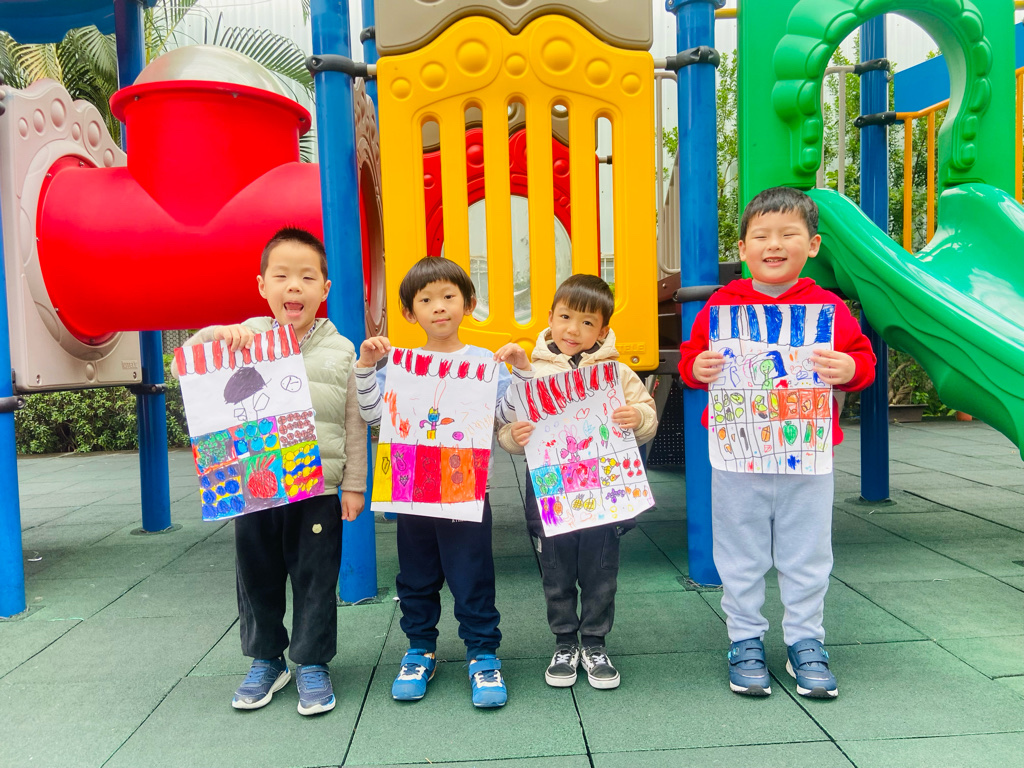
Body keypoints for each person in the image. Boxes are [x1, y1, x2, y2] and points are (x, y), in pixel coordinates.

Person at [678, 187, 876, 699]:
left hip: (807, 457)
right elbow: (692, 361)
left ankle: (806, 640)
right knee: (738, 551)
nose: (774, 244)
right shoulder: (722, 304)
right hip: (736, 454)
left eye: (788, 234)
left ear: (812, 244)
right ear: (742, 248)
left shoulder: (828, 307)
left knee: (807, 552)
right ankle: (744, 638)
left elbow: (863, 363)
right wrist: (697, 368)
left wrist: (850, 367)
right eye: (761, 235)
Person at [178, 227, 366, 716]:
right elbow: (184, 370)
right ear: (262, 285)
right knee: (257, 574)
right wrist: (214, 336)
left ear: (325, 288)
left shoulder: (342, 349)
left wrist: (353, 484)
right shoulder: (243, 338)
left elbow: (354, 422)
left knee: (316, 578)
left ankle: (311, 662)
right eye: (281, 276)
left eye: (307, 277)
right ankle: (266, 659)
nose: (294, 286)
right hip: (254, 485)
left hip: (318, 488)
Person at [355, 256, 520, 708]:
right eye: (426, 300)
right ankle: (419, 650)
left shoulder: (485, 362)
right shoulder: (399, 364)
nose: (439, 306)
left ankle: (483, 654)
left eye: (449, 296)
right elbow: (373, 414)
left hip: (467, 490)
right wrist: (366, 368)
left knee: (473, 576)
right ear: (410, 312)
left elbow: (505, 414)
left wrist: (521, 372)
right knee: (416, 576)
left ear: (468, 303)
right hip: (411, 490)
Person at [494, 274, 658, 690]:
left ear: (602, 331)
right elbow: (507, 427)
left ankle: (595, 642)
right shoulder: (529, 372)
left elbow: (647, 413)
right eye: (566, 317)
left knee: (601, 570)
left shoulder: (617, 373)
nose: (573, 329)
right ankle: (565, 641)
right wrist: (514, 436)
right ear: (550, 317)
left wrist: (637, 417)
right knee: (556, 570)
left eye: (587, 322)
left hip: (603, 493)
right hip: (550, 492)